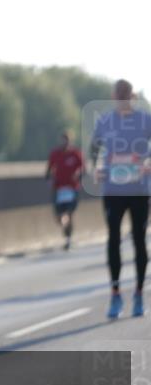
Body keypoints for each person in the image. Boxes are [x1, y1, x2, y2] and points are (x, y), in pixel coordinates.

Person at [89, 79, 150, 319]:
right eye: (119, 93)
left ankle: (138, 294)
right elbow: (94, 148)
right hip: (113, 190)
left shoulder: (145, 119)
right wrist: (96, 167)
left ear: (131, 95)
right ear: (114, 95)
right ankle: (115, 294)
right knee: (113, 239)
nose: (123, 96)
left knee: (138, 240)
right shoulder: (105, 121)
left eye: (127, 93)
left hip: (139, 190)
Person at [45, 130, 84, 251]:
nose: (64, 143)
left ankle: (68, 238)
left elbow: (82, 168)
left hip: (72, 188)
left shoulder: (76, 153)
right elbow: (49, 169)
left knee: (68, 213)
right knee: (59, 216)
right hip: (59, 189)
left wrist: (78, 174)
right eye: (62, 140)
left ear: (70, 141)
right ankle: (67, 233)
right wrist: (49, 179)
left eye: (66, 140)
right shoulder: (55, 154)